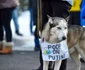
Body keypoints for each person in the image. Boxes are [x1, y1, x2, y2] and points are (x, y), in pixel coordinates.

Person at [34, 0, 73, 70]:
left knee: (60, 33)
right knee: (45, 31)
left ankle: (61, 68)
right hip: (45, 2)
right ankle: (45, 66)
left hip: (61, 1)